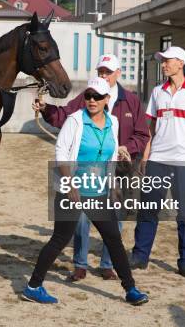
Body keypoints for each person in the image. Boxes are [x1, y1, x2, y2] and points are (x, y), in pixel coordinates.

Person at [22, 77, 148, 306]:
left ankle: (130, 289)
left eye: (97, 96)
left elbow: (109, 155)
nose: (91, 100)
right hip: (72, 191)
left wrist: (112, 185)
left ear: (107, 99)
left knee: (114, 239)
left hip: (98, 193)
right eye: (88, 95)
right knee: (60, 239)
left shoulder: (113, 122)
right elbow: (61, 151)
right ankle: (33, 286)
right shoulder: (75, 121)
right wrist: (70, 185)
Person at [131, 46, 185, 278]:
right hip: (157, 159)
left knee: (184, 211)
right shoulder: (157, 92)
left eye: (167, 60)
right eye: (162, 61)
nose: (163, 64)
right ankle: (140, 256)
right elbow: (150, 129)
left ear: (181, 63)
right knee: (148, 209)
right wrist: (145, 157)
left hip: (184, 162)